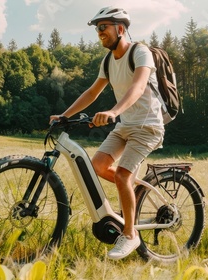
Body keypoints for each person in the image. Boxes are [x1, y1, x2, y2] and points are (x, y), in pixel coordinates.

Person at [50, 6, 165, 260]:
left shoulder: (140, 52)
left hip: (147, 126)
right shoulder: (107, 61)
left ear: (120, 29)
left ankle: (130, 235)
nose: (99, 32)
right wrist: (64, 116)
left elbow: (138, 86)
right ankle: (132, 195)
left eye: (103, 27)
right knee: (98, 165)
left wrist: (113, 111)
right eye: (97, 29)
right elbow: (92, 93)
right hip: (125, 125)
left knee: (123, 174)